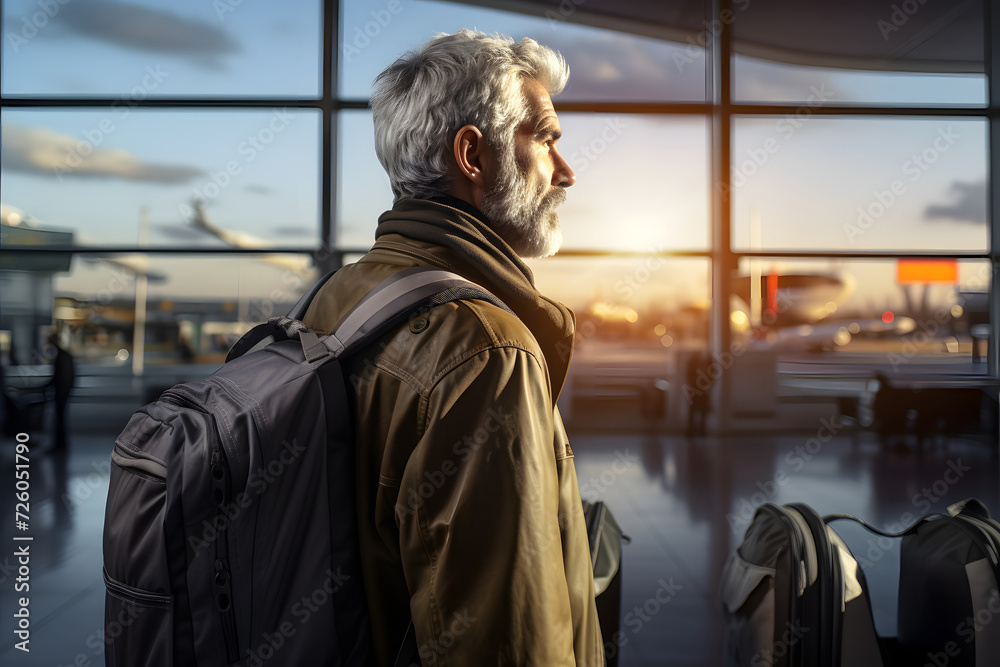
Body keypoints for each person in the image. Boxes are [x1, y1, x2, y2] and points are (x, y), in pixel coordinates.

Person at [303, 29, 603, 665]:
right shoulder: (486, 353)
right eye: (546, 138)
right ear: (474, 155)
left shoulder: (336, 297)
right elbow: (504, 641)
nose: (567, 172)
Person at [45, 331, 75, 452]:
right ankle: (61, 444)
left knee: (59, 419)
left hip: (61, 393)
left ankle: (59, 445)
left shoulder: (61, 357)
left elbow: (58, 377)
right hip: (64, 392)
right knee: (61, 419)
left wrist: (47, 386)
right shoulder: (65, 356)